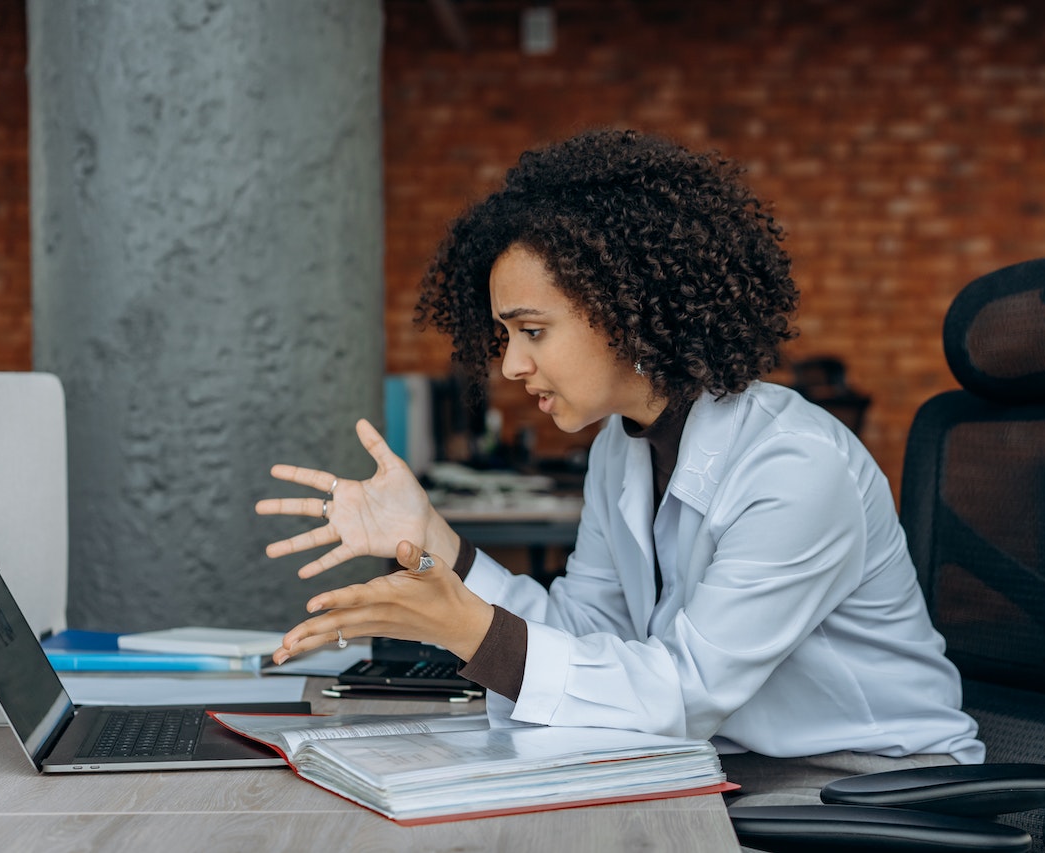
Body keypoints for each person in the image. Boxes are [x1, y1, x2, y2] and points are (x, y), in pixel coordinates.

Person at [256, 128, 984, 805]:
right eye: (506, 335)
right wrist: (436, 540)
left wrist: (474, 631)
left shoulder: (795, 465)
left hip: (874, 788)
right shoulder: (623, 443)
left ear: (627, 309)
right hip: (736, 766)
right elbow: (587, 630)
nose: (511, 364)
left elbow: (685, 691)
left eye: (532, 331)